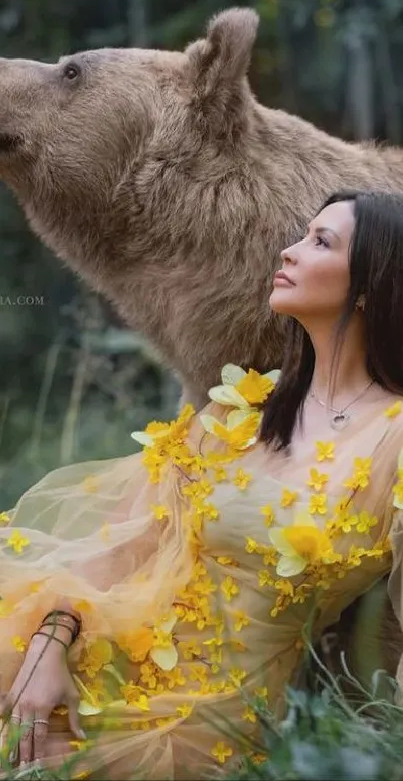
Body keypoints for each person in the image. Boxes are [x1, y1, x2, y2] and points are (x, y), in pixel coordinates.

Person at [1, 189, 403, 780]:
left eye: (320, 242)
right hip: (96, 659)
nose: (288, 252)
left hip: (207, 728)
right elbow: (120, 552)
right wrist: (48, 645)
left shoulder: (393, 437)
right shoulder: (239, 408)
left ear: (371, 284)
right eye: (301, 234)